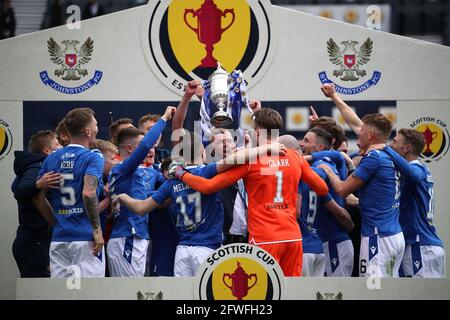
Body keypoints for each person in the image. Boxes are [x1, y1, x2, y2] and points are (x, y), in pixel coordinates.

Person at [167, 108, 329, 276]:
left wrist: (180, 173)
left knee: (264, 293)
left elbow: (207, 186)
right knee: (288, 291)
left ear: (257, 131)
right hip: (292, 236)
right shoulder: (295, 157)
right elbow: (322, 189)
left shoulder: (251, 159)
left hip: (264, 238)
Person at [112, 130, 285, 277]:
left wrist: (122, 197)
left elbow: (141, 208)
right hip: (207, 248)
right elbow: (238, 159)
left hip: (182, 250)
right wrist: (267, 147)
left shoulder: (171, 182)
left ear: (180, 156)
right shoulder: (206, 171)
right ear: (202, 151)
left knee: (184, 300)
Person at [317, 111, 404, 278]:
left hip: (378, 237)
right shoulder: (389, 155)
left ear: (370, 134)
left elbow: (342, 190)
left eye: (362, 129)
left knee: (372, 290)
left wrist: (329, 171)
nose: (358, 131)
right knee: (390, 290)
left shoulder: (373, 157)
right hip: (394, 234)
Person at [36, 108, 105, 278]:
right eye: (96, 124)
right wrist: (97, 230)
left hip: (59, 239)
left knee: (62, 295)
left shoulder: (51, 158)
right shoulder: (93, 157)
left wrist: (57, 222)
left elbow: (38, 197)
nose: (98, 128)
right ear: (88, 131)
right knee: (91, 294)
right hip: (85, 239)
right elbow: (88, 193)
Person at [107, 107, 175, 277]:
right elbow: (146, 144)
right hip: (128, 234)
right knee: (128, 292)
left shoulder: (140, 171)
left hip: (136, 234)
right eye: (141, 147)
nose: (149, 149)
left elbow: (167, 188)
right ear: (131, 149)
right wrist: (164, 118)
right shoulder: (123, 169)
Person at [385, 129, 445, 277]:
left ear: (406, 148)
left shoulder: (417, 169)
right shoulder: (422, 169)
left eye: (395, 142)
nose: (391, 145)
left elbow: (414, 175)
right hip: (427, 244)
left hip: (420, 245)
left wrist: (383, 148)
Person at [300, 128, 354, 276]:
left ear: (320, 147)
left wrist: (292, 165)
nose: (301, 143)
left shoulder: (323, 161)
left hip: (333, 242)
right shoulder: (331, 157)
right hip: (322, 242)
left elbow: (325, 168)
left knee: (336, 293)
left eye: (306, 140)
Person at [11, 130, 61, 277]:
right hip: (34, 242)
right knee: (39, 290)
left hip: (35, 241)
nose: (61, 147)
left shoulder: (37, 166)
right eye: (57, 144)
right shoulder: (36, 167)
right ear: (47, 151)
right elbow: (20, 190)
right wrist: (38, 184)